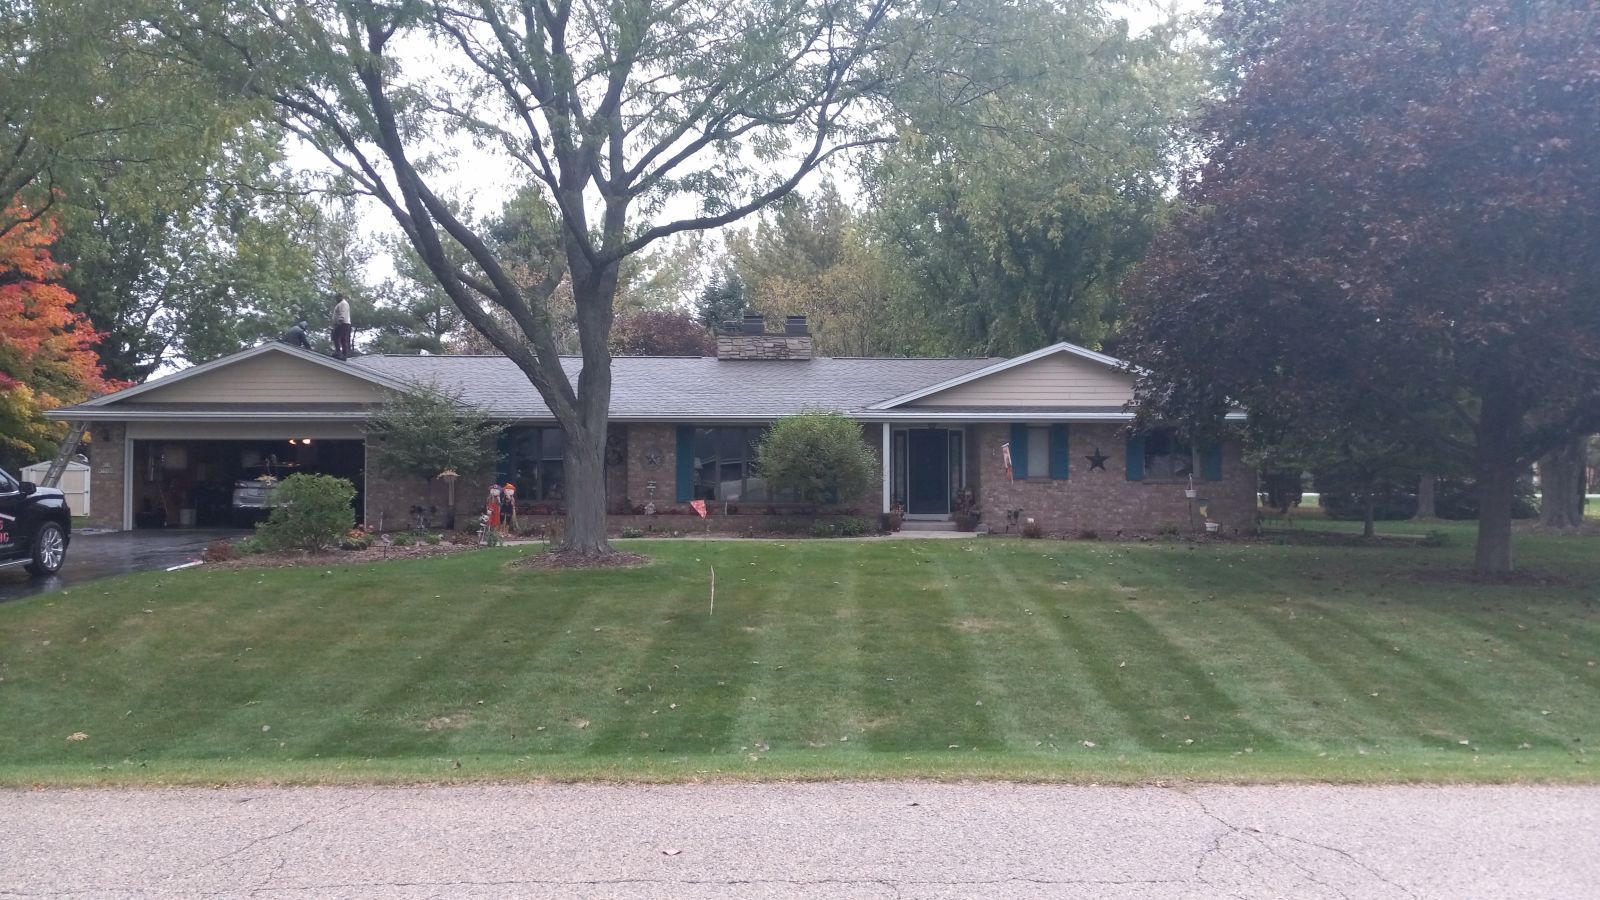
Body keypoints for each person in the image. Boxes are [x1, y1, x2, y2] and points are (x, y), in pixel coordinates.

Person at [331, 292, 353, 360]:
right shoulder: (342, 303)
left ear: (340, 297)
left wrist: (340, 321)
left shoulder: (343, 303)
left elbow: (343, 312)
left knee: (336, 337)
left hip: (342, 323)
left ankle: (338, 352)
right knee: (343, 339)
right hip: (345, 323)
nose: (336, 299)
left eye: (337, 298)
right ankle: (344, 355)